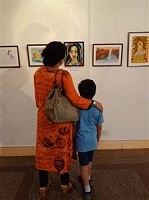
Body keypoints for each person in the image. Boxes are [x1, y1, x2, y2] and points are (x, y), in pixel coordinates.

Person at [34, 41, 103, 198]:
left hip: (44, 120)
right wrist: (93, 103)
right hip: (61, 122)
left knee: (43, 151)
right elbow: (75, 100)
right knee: (61, 151)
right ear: (60, 59)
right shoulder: (64, 75)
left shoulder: (38, 73)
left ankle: (43, 186)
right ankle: (64, 185)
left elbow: (38, 100)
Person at [74, 79, 104, 200]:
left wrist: (72, 143)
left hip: (82, 142)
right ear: (94, 92)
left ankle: (87, 189)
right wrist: (98, 140)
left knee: (83, 165)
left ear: (80, 93)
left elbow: (75, 127)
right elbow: (100, 127)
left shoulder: (78, 109)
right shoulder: (98, 109)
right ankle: (89, 178)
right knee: (89, 162)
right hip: (92, 141)